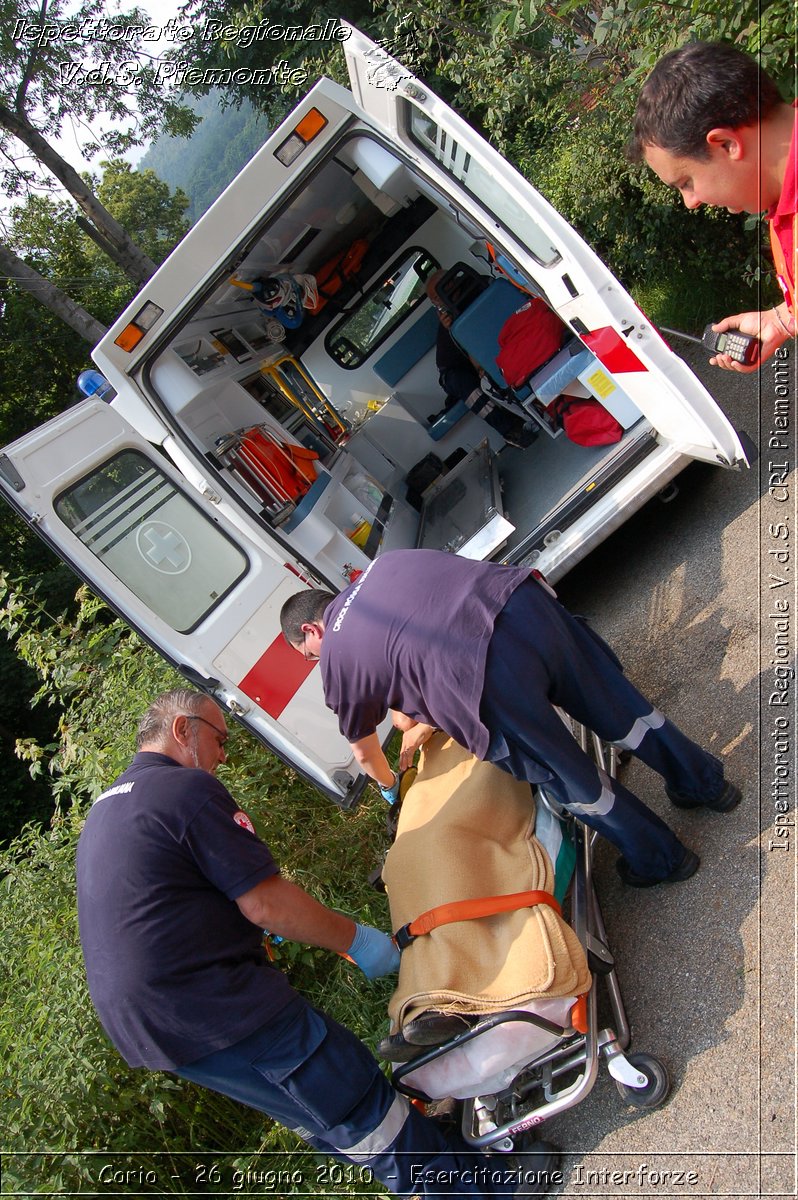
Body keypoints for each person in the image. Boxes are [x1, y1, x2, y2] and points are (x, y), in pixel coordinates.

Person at [76, 688, 550, 1198]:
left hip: (159, 1023)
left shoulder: (111, 806)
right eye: (219, 740)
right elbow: (265, 903)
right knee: (339, 1088)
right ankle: (476, 1188)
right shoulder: (184, 791)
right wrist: (359, 940)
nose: (223, 756)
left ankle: (448, 1159)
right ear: (182, 729)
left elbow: (163, 906)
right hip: (207, 1003)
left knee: (317, 1108)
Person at [281, 551, 740, 888]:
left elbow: (363, 749)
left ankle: (663, 859)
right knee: (623, 711)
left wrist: (388, 789)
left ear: (311, 630)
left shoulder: (337, 655)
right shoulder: (386, 564)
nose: (315, 661)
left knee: (569, 775)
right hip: (525, 605)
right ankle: (706, 785)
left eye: (307, 655)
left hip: (484, 675)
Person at [628, 41, 796, 372]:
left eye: (686, 182)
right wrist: (783, 318)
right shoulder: (782, 204)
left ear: (725, 144)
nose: (690, 202)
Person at [426, 271, 537, 447]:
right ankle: (510, 430)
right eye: (434, 302)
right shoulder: (449, 318)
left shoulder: (480, 285)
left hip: (488, 348)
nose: (437, 304)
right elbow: (465, 349)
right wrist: (450, 328)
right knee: (464, 383)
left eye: (436, 298)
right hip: (455, 369)